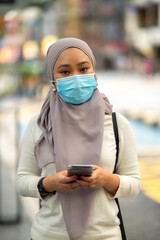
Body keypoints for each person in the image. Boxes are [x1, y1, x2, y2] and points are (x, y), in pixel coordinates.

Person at [16, 38, 141, 240]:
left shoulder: (118, 125)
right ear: (52, 78)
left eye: (83, 69)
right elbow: (22, 181)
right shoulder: (39, 125)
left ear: (93, 71)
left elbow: (134, 183)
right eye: (65, 72)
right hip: (47, 235)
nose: (75, 77)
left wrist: (107, 179)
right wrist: (49, 183)